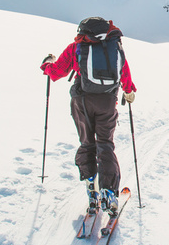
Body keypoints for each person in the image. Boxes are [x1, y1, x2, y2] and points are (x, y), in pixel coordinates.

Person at [40, 17, 136, 215]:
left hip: (81, 101)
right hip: (107, 102)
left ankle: (91, 186)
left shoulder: (77, 47)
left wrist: (47, 65)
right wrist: (129, 91)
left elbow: (57, 72)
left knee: (87, 143)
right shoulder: (114, 47)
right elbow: (124, 72)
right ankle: (109, 192)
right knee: (105, 144)